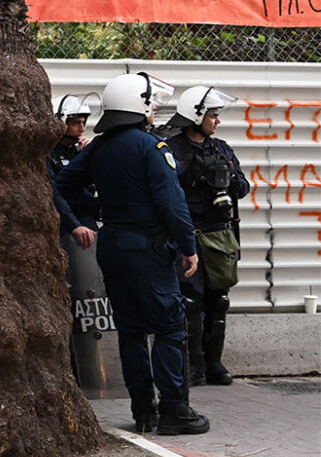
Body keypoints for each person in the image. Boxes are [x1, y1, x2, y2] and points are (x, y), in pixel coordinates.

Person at [56, 72, 210, 436]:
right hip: (148, 249)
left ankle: (144, 410)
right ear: (138, 105)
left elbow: (60, 184)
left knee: (130, 331)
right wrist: (189, 248)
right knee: (169, 328)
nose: (154, 107)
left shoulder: (98, 147)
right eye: (150, 101)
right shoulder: (151, 148)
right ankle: (174, 410)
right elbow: (173, 205)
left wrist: (96, 207)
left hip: (112, 246)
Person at [160, 86, 250, 387]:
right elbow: (165, 191)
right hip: (189, 233)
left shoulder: (221, 148)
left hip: (219, 235)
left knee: (218, 299)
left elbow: (243, 187)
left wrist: (224, 180)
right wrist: (196, 179)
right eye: (213, 115)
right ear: (196, 116)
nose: (217, 121)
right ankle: (193, 365)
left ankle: (214, 363)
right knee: (190, 301)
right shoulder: (171, 149)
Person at [47, 93, 99, 249]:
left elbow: (91, 187)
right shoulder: (48, 154)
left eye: (83, 122)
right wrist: (74, 225)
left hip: (85, 222)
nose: (82, 128)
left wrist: (90, 154)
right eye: (76, 123)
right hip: (64, 226)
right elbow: (54, 193)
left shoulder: (78, 152)